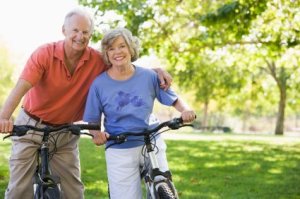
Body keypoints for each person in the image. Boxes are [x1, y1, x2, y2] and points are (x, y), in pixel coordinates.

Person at [0, 9, 172, 199]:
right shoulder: (44, 54)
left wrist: (154, 72)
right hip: (31, 126)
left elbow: (125, 67)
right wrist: (4, 117)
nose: (80, 37)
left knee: (73, 191)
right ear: (64, 30)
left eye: (85, 32)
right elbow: (21, 87)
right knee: (19, 189)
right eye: (75, 30)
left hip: (65, 132)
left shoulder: (97, 60)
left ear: (90, 35)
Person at [83, 27, 196, 199]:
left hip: (151, 140)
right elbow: (92, 121)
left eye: (122, 46)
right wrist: (96, 134)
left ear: (131, 48)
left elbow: (174, 99)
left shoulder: (149, 76)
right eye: (111, 48)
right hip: (119, 146)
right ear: (106, 54)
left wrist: (186, 110)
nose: (117, 52)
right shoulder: (99, 85)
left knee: (164, 188)